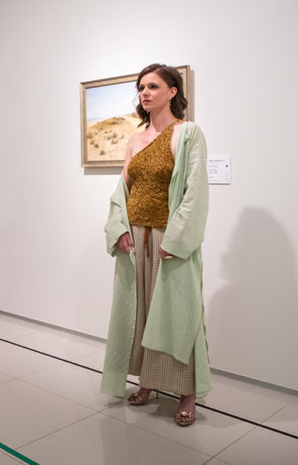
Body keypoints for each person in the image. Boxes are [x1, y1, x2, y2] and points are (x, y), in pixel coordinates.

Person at [100, 63, 211, 427]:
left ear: (172, 91)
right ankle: (147, 380)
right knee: (141, 314)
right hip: (136, 237)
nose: (144, 93)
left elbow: (195, 192)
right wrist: (119, 228)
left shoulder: (188, 133)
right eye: (141, 87)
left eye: (152, 86)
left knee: (179, 316)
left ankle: (186, 392)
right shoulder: (135, 139)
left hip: (170, 239)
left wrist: (177, 240)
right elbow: (122, 191)